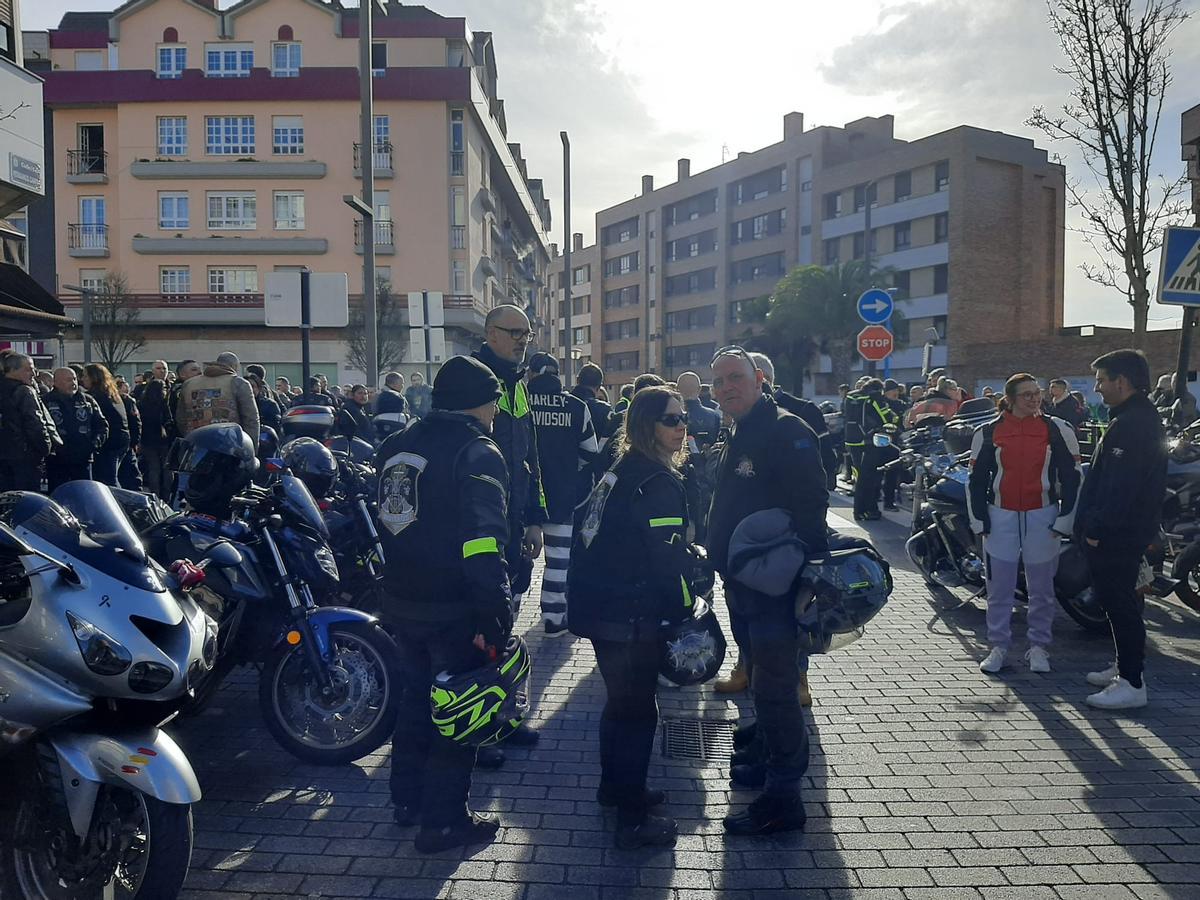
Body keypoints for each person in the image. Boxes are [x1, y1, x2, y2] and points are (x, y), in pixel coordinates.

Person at [375, 355, 512, 853]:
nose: (496, 412)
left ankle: (407, 800)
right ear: (480, 402)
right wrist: (494, 610)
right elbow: (483, 540)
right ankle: (445, 822)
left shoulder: (397, 443)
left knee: (414, 702)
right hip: (453, 606)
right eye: (494, 402)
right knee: (458, 711)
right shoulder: (477, 451)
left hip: (402, 600)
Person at [706, 345, 826, 836]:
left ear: (759, 378)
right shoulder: (739, 428)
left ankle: (783, 800)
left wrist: (800, 579)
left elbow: (812, 509)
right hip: (743, 583)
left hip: (774, 587)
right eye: (718, 382)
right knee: (759, 677)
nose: (725, 388)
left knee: (777, 689)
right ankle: (765, 760)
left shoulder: (786, 429)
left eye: (734, 377)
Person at [568, 386, 694, 849]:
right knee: (637, 713)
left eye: (683, 418)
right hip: (631, 614)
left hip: (602, 608)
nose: (681, 427)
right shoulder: (656, 481)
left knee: (619, 706)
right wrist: (687, 607)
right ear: (646, 426)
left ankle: (617, 789)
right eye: (670, 419)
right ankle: (632, 820)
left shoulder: (619, 470)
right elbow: (667, 561)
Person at [968, 373, 1081, 675]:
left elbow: (1073, 477)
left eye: (1036, 393)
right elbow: (975, 480)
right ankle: (998, 646)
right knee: (998, 588)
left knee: (1042, 588)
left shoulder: (1057, 428)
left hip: (1042, 515)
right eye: (1026, 394)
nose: (1034, 399)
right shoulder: (987, 431)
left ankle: (1039, 647)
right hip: (1000, 516)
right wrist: (979, 520)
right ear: (1010, 399)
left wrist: (1065, 520)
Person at [472, 304, 547, 758]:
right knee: (480, 629)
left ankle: (500, 716)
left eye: (527, 333)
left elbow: (529, 459)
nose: (522, 340)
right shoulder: (473, 377)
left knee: (505, 623)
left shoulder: (518, 383)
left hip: (513, 525)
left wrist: (535, 517)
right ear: (490, 333)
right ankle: (474, 727)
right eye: (514, 332)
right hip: (481, 527)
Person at [1075, 349, 1166, 709]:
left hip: (1118, 534)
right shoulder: (1130, 418)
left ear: (1121, 381)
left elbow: (1121, 487)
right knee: (1116, 604)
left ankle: (1131, 682)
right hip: (1120, 530)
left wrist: (1097, 528)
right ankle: (1124, 666)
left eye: (1101, 380)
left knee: (1121, 604)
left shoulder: (1134, 424)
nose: (1097, 387)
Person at [526, 352, 598, 636]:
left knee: (517, 557)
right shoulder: (577, 406)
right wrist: (567, 471)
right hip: (562, 493)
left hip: (522, 494)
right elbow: (590, 452)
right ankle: (554, 618)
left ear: (532, 374)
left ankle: (510, 614)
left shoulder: (520, 402)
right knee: (558, 559)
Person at [749, 353, 837, 491]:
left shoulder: (805, 410)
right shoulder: (740, 414)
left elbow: (827, 461)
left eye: (738, 377)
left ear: (761, 377)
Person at [0, 353, 58, 491]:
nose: (33, 373)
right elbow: (35, 424)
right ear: (12, 370)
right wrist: (45, 447)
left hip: (5, 456)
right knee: (26, 498)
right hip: (25, 457)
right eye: (28, 369)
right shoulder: (24, 391)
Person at [45, 367, 108, 490]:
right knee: (59, 493)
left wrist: (93, 444)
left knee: (84, 493)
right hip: (57, 460)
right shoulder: (46, 401)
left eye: (74, 379)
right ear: (56, 382)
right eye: (68, 380)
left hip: (83, 459)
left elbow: (102, 426)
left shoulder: (87, 401)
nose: (73, 383)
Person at [175, 352, 260, 440]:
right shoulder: (239, 383)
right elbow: (251, 419)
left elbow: (181, 418)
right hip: (229, 442)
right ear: (234, 366)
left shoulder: (188, 384)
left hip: (196, 442)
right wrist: (252, 444)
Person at [851, 378, 900, 521]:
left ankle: (858, 510)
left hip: (853, 441)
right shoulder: (874, 397)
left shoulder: (853, 397)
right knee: (871, 478)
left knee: (861, 479)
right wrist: (894, 419)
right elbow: (887, 417)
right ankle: (870, 509)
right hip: (871, 442)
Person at [82, 363, 130, 488]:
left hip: (109, 441)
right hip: (121, 438)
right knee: (112, 476)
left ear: (94, 378)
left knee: (108, 478)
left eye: (85, 376)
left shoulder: (95, 396)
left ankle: (115, 499)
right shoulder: (113, 394)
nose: (82, 379)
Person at [137, 375, 172, 498]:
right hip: (163, 439)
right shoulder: (163, 403)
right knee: (167, 468)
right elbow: (169, 420)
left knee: (153, 468)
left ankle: (155, 494)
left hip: (147, 439)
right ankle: (166, 495)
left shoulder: (141, 404)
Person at [572, 362, 615, 447]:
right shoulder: (604, 410)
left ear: (577, 380)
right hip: (592, 454)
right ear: (599, 386)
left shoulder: (564, 404)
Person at [118, 382, 143, 490]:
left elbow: (136, 422)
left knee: (131, 474)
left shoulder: (127, 400)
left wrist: (135, 441)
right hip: (125, 441)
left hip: (127, 442)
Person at [375, 371, 410, 440]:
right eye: (402, 383)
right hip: (396, 433)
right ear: (393, 384)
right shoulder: (397, 397)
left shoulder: (378, 395)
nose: (403, 386)